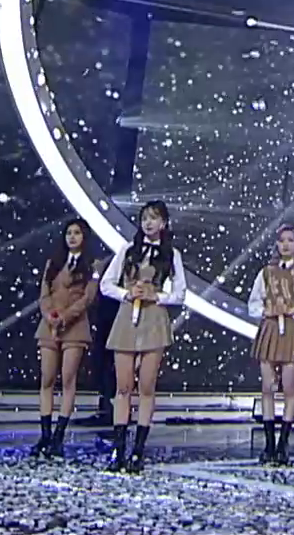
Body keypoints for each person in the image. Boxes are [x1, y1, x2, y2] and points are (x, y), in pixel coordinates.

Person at [100, 200, 187, 472]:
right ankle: (118, 450)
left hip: (154, 319)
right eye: (145, 218)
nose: (148, 223)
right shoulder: (128, 250)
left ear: (164, 223)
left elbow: (180, 294)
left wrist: (157, 296)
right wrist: (127, 293)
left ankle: (138, 451)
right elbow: (106, 284)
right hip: (127, 317)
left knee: (146, 387)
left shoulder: (171, 254)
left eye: (154, 218)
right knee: (123, 387)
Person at [246, 224, 294, 466]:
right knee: (267, 388)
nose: (286, 245)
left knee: (289, 388)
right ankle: (269, 443)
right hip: (269, 329)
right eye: (281, 240)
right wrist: (266, 311)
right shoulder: (266, 272)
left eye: (290, 240)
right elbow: (253, 303)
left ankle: (282, 444)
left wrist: (292, 310)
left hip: (290, 329)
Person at [31, 219, 103, 459]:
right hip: (49, 325)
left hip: (75, 327)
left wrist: (65, 317)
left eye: (77, 233)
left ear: (85, 237)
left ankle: (59, 436)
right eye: (69, 233)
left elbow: (88, 297)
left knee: (68, 380)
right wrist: (50, 315)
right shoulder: (53, 263)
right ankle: (45, 435)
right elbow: (44, 294)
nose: (72, 237)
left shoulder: (93, 265)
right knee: (47, 379)